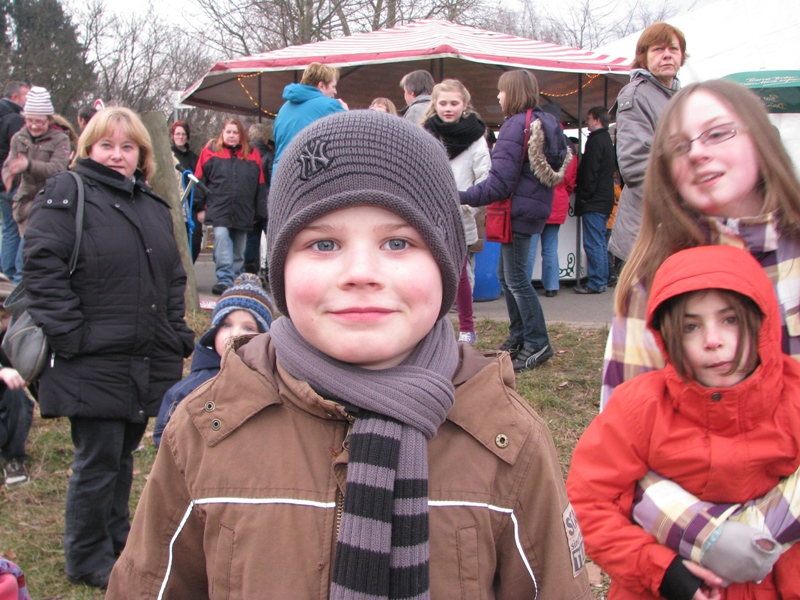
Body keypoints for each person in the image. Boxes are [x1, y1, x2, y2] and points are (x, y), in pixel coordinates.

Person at [106, 110, 592, 599]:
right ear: (281, 265)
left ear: (446, 261)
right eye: (323, 243)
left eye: (398, 242)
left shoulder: (508, 440)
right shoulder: (205, 431)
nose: (361, 273)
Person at [22, 106, 195, 589]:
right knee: (96, 460)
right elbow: (42, 270)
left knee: (121, 457)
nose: (117, 155)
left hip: (145, 355)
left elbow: (173, 276)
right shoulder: (66, 193)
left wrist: (176, 332)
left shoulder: (151, 205)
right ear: (88, 148)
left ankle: (117, 543)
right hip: (91, 358)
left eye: (127, 147)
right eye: (107, 145)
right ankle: (85, 558)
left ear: (142, 153)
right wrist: (72, 336)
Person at [568, 244, 800, 599]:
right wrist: (659, 569)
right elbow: (587, 502)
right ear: (668, 336)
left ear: (760, 319)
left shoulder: (793, 397)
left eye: (730, 319)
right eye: (691, 326)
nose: (713, 341)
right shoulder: (639, 407)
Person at [601, 79, 800, 408]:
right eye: (679, 147)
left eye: (718, 133)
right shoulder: (653, 278)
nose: (697, 153)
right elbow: (627, 420)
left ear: (760, 138)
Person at [460, 70, 570, 372]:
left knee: (517, 280)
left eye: (502, 90)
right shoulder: (542, 122)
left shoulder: (515, 126)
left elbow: (499, 184)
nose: (498, 96)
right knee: (509, 277)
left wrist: (461, 195)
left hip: (516, 211)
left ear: (514, 92)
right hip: (529, 209)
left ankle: (537, 342)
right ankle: (520, 336)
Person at [153, 273, 274, 447]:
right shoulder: (190, 390)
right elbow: (166, 437)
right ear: (213, 332)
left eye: (248, 328)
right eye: (226, 325)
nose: (235, 334)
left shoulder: (274, 385)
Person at [608, 22, 687, 264]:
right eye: (658, 49)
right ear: (644, 56)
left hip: (677, 227)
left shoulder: (681, 97)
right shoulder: (635, 95)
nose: (667, 55)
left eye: (673, 49)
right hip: (647, 231)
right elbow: (636, 166)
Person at [422, 79, 491, 345]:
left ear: (464, 105)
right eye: (443, 103)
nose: (448, 108)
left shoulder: (476, 139)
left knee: (459, 273)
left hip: (459, 216)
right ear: (435, 104)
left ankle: (466, 328)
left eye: (454, 103)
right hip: (428, 213)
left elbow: (484, 178)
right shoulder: (426, 134)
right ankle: (429, 326)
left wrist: (467, 205)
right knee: (428, 272)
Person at [1, 86, 70, 283]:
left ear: (49, 119)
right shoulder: (19, 137)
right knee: (17, 255)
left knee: (23, 262)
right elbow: (9, 163)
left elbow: (58, 169)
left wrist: (28, 165)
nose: (33, 125)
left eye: (39, 121)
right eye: (29, 120)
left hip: (49, 202)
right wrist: (8, 175)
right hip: (24, 202)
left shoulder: (60, 139)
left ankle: (22, 293)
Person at [194, 118, 266, 295]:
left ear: (241, 135)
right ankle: (224, 279)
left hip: (243, 209)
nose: (231, 136)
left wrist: (258, 211)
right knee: (221, 239)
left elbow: (260, 184)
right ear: (222, 133)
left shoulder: (253, 154)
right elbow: (199, 179)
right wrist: (199, 207)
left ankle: (235, 278)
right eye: (228, 132)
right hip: (219, 207)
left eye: (235, 132)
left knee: (239, 249)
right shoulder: (210, 152)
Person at [526, 105, 577, 298]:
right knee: (550, 247)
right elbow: (570, 180)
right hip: (559, 201)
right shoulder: (568, 145)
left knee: (529, 248)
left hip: (537, 200)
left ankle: (524, 286)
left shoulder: (536, 139)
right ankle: (552, 286)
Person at [272, 62, 348, 173]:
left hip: (280, 174)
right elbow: (350, 138)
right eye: (333, 86)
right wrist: (346, 113)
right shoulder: (329, 105)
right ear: (321, 86)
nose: (335, 91)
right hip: (307, 174)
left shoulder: (284, 108)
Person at [574, 106, 617, 294]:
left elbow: (590, 171)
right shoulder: (607, 141)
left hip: (595, 200)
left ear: (597, 120)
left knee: (593, 242)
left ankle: (596, 281)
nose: (587, 122)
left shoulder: (595, 142)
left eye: (589, 118)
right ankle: (603, 278)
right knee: (600, 241)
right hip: (605, 198)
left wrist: (584, 195)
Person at [0, 274, 33, 487]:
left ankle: (13, 458)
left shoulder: (13, 333)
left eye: (4, 318)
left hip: (5, 395)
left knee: (18, 397)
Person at [0, 81, 28, 284]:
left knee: (8, 228)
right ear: (15, 98)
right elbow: (20, 151)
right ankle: (14, 277)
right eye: (26, 96)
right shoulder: (15, 120)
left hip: (2, 181)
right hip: (13, 181)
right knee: (19, 229)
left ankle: (5, 273)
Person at [244, 122, 274, 278]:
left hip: (251, 203)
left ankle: (251, 271)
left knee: (251, 239)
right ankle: (271, 271)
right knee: (272, 238)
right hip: (268, 203)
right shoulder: (270, 156)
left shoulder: (245, 156)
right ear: (264, 138)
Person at [169, 121, 202, 262]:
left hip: (191, 203)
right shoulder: (169, 157)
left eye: (183, 134)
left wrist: (200, 206)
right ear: (172, 136)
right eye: (178, 134)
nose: (180, 137)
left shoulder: (194, 158)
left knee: (195, 240)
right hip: (174, 203)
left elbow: (200, 180)